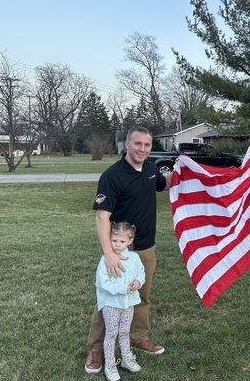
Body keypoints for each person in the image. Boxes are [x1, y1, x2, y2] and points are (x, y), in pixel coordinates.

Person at [85, 126, 172, 374]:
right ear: (127, 144)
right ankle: (95, 348)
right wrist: (110, 254)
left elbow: (164, 185)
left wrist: (188, 171)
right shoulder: (112, 175)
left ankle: (138, 337)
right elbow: (102, 217)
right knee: (109, 300)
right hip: (120, 251)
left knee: (140, 296)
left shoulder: (152, 168)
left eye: (147, 145)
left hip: (146, 248)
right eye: (137, 144)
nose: (142, 149)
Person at [96, 222, 145, 381]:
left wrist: (138, 282)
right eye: (114, 240)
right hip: (111, 304)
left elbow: (141, 273)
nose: (117, 244)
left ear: (130, 241)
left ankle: (126, 359)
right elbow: (103, 284)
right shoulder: (105, 260)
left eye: (122, 241)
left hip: (128, 303)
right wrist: (123, 288)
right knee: (112, 333)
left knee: (124, 332)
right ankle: (110, 365)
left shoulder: (135, 257)